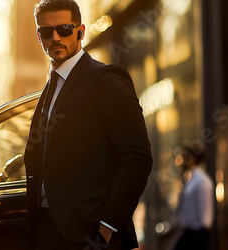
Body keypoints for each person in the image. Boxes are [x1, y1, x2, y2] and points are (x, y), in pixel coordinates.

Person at [24, 0, 153, 249]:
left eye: (64, 29)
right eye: (46, 32)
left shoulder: (104, 79)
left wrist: (107, 227)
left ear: (80, 31)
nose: (55, 37)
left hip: (91, 235)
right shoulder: (52, 86)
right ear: (38, 38)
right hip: (48, 231)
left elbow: (137, 157)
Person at [173, 145, 214, 250]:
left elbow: (205, 217)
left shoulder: (202, 181)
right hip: (189, 232)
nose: (181, 161)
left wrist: (200, 236)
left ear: (192, 159)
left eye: (185, 157)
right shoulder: (190, 180)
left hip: (197, 234)